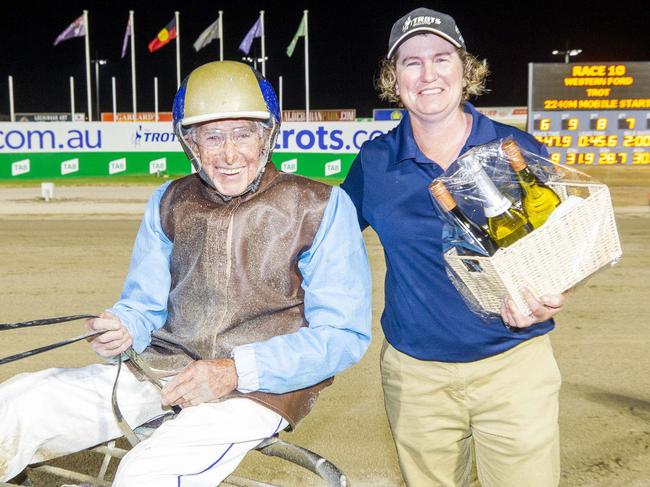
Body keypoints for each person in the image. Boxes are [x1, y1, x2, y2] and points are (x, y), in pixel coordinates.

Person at [0, 61, 372, 486]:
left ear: (267, 135)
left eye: (243, 134)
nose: (229, 155)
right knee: (15, 403)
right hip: (163, 369)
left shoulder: (322, 205)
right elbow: (143, 305)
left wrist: (233, 371)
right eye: (213, 137)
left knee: (146, 474)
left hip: (257, 389)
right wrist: (123, 327)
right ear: (190, 142)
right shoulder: (168, 199)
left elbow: (344, 336)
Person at [341, 7, 566, 487]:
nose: (428, 74)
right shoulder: (376, 162)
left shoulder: (515, 148)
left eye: (441, 58)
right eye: (411, 62)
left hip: (514, 367)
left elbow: (563, 248)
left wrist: (554, 290)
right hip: (415, 376)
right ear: (393, 78)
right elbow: (323, 238)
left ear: (466, 70)